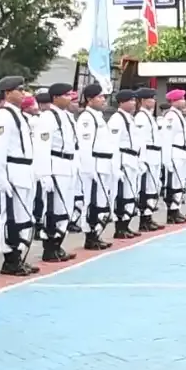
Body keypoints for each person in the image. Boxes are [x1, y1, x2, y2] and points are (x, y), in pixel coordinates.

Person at [0, 76, 41, 276]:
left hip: (24, 170)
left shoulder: (18, 115)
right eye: (19, 90)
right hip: (13, 170)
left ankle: (18, 255)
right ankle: (10, 258)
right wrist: (1, 177)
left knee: (23, 216)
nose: (23, 93)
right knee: (10, 216)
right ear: (8, 93)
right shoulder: (3, 116)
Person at [34, 83, 79, 262]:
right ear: (55, 98)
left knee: (66, 208)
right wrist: (45, 173)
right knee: (54, 208)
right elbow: (42, 146)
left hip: (68, 165)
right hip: (55, 165)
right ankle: (50, 247)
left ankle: (58, 244)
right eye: (66, 95)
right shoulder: (47, 117)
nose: (70, 98)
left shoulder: (67, 116)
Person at [75, 83, 116, 250]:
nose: (103, 100)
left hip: (103, 164)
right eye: (99, 97)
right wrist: (89, 167)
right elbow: (85, 145)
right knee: (91, 201)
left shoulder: (97, 117)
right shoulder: (87, 118)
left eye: (103, 96)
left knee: (100, 201)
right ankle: (90, 235)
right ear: (89, 99)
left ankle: (96, 233)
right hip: (95, 164)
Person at [107, 90, 143, 240]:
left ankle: (126, 225)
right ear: (121, 102)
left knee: (130, 194)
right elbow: (113, 143)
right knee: (122, 195)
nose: (133, 103)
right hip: (123, 159)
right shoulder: (117, 119)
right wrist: (116, 166)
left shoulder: (129, 118)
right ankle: (120, 227)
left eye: (134, 100)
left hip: (132, 158)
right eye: (130, 100)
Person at [161, 90, 186, 224]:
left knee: (180, 182)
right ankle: (172, 212)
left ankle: (176, 209)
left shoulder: (179, 115)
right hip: (175, 153)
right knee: (174, 183)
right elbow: (167, 138)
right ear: (174, 101)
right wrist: (167, 159)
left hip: (182, 152)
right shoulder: (171, 116)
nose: (184, 101)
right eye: (181, 99)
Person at [133, 88, 164, 231]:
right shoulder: (141, 117)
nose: (154, 101)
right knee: (146, 188)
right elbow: (141, 140)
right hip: (148, 154)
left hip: (154, 154)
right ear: (143, 101)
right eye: (150, 99)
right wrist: (142, 159)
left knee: (153, 187)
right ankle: (144, 219)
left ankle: (148, 216)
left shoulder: (149, 116)